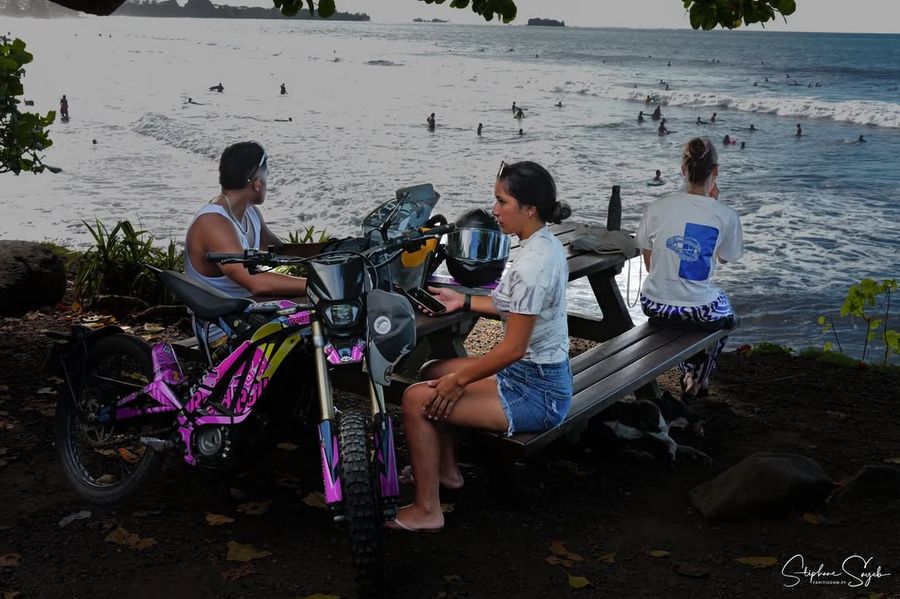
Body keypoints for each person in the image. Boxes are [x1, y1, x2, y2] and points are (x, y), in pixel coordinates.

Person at [387, 161, 573, 533]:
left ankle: (427, 510)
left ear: (529, 209)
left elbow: (513, 349)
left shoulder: (532, 266)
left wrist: (459, 382)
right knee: (432, 370)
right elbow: (512, 307)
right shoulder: (543, 243)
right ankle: (446, 472)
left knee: (416, 399)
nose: (494, 210)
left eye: (502, 201)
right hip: (533, 374)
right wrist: (463, 301)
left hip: (538, 393)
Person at [635, 137, 743, 400]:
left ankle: (689, 370)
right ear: (715, 171)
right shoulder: (726, 215)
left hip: (654, 304)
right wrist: (714, 205)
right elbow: (725, 258)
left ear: (683, 170)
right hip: (698, 311)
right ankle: (699, 377)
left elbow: (650, 266)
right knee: (727, 316)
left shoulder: (657, 207)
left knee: (690, 308)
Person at [184, 141, 307, 304]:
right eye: (266, 177)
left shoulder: (250, 213)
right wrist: (319, 285)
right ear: (257, 184)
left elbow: (279, 250)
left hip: (249, 306)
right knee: (323, 306)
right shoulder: (213, 223)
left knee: (324, 304)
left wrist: (331, 249)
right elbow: (256, 283)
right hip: (224, 316)